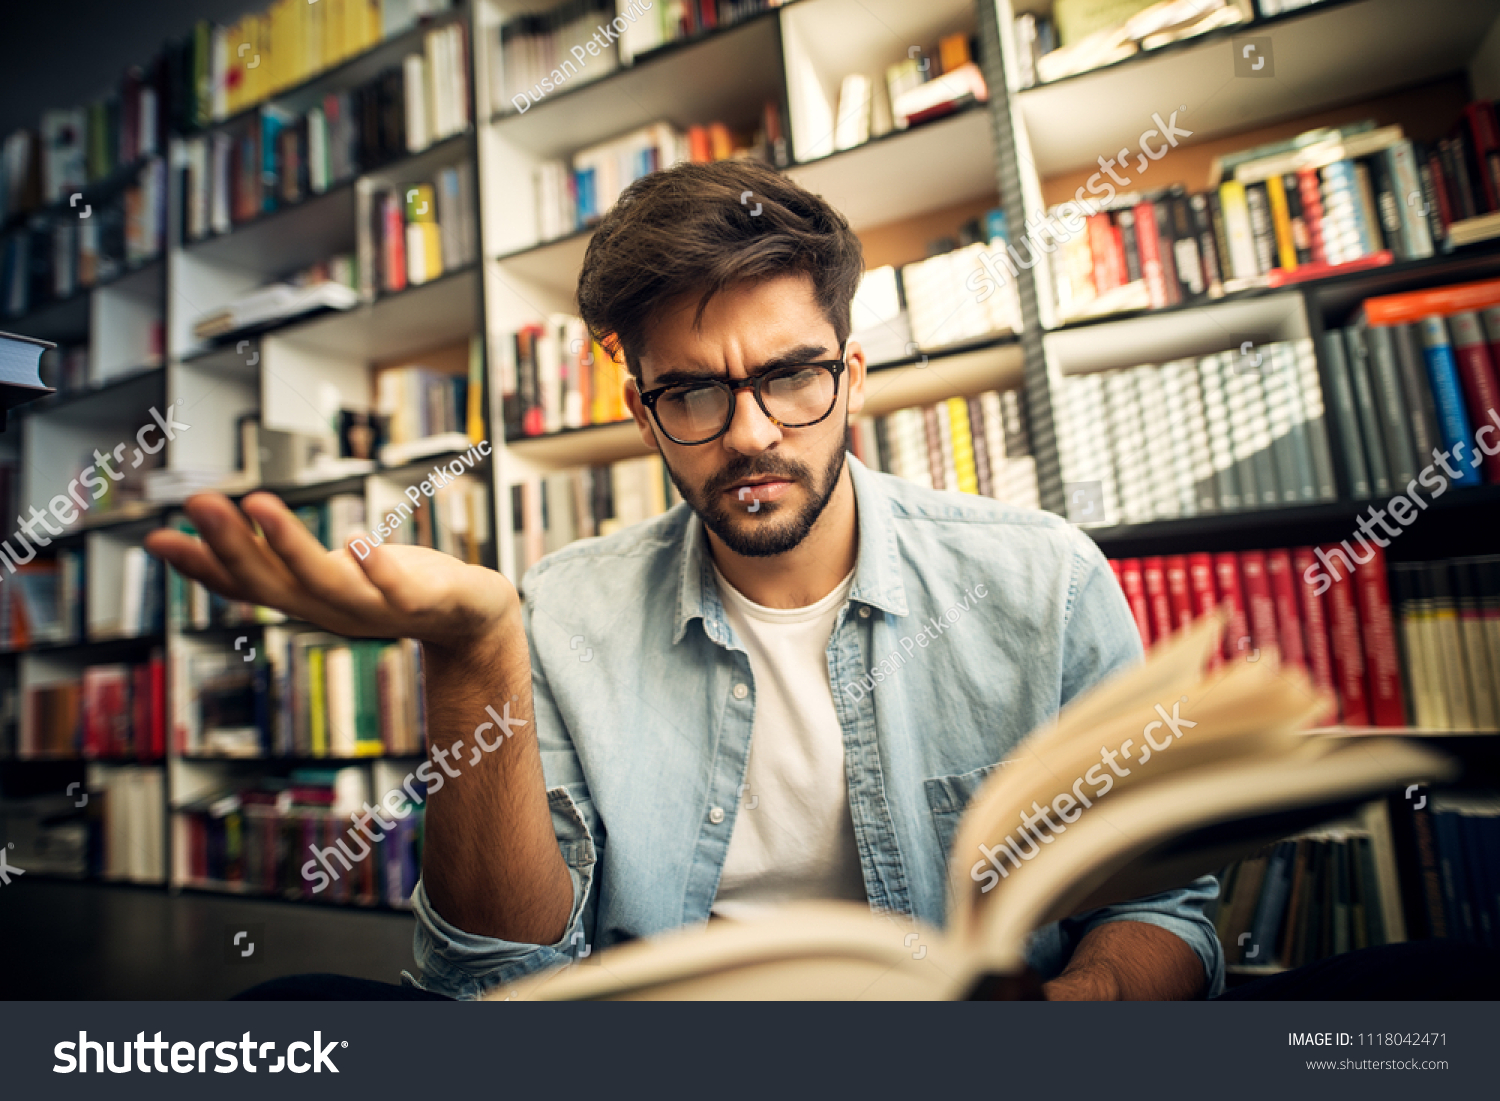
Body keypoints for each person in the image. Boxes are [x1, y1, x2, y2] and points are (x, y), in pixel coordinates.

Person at [150, 158, 1224, 1001]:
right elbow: (496, 982)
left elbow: (1167, 908)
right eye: (695, 393)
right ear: (644, 411)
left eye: (792, 375)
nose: (751, 433)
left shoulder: (1043, 580)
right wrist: (473, 649)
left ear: (851, 378)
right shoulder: (561, 609)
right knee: (294, 1010)